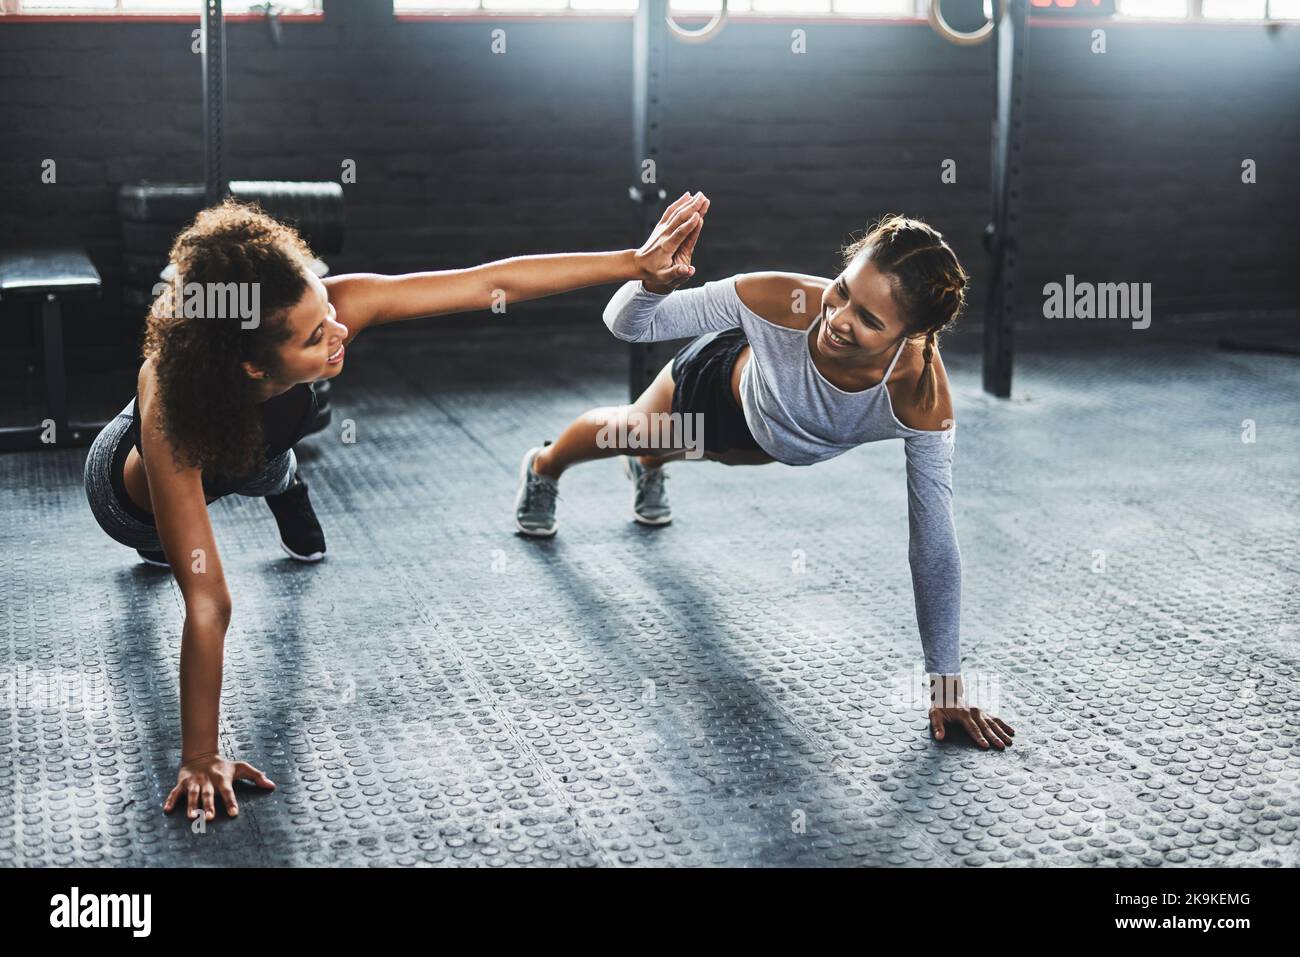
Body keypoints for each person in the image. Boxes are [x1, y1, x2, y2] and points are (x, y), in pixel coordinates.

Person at [83, 190, 709, 821]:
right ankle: (269, 480)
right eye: (314, 335)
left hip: (258, 437)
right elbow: (209, 601)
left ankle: (283, 480)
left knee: (273, 451)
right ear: (248, 364)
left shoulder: (311, 314)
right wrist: (198, 756)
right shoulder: (174, 407)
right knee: (176, 534)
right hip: (130, 500)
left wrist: (634, 262)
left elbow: (488, 283)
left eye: (328, 308)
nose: (338, 330)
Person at [514, 209, 1015, 749]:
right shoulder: (777, 298)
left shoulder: (920, 400)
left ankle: (652, 466)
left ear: (913, 333)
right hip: (712, 394)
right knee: (637, 431)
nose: (840, 319)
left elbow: (934, 546)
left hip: (771, 444)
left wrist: (946, 687)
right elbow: (629, 326)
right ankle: (545, 465)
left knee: (715, 454)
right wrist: (649, 280)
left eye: (870, 320)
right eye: (843, 290)